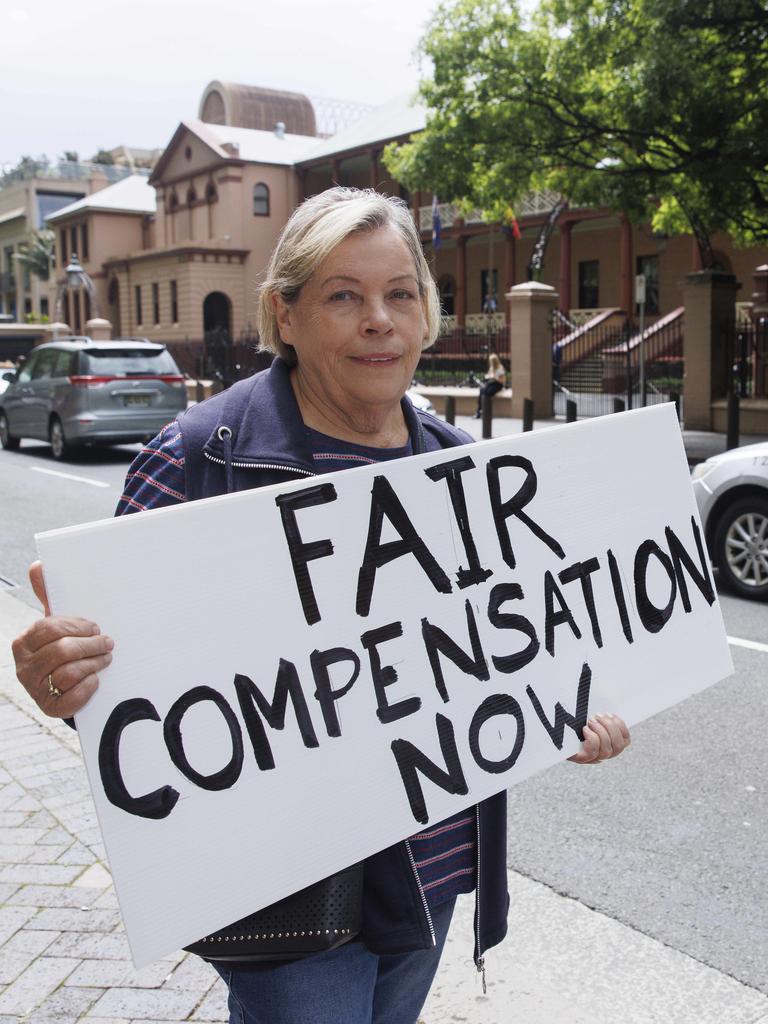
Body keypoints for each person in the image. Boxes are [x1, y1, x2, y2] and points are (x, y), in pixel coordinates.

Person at [11, 187, 631, 1024]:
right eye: (344, 295)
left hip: (435, 869)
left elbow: (493, 648)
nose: (379, 319)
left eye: (400, 294)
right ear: (285, 314)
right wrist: (62, 681)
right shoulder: (202, 456)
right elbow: (131, 708)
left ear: (426, 314)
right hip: (291, 893)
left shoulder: (461, 468)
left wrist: (570, 713)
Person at [474, 351, 507, 418]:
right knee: (482, 390)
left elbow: (502, 380)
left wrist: (494, 377)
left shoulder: (500, 368)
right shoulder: (491, 368)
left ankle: (485, 411)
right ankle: (479, 410)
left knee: (487, 392)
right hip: (491, 383)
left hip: (497, 384)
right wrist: (488, 376)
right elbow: (489, 375)